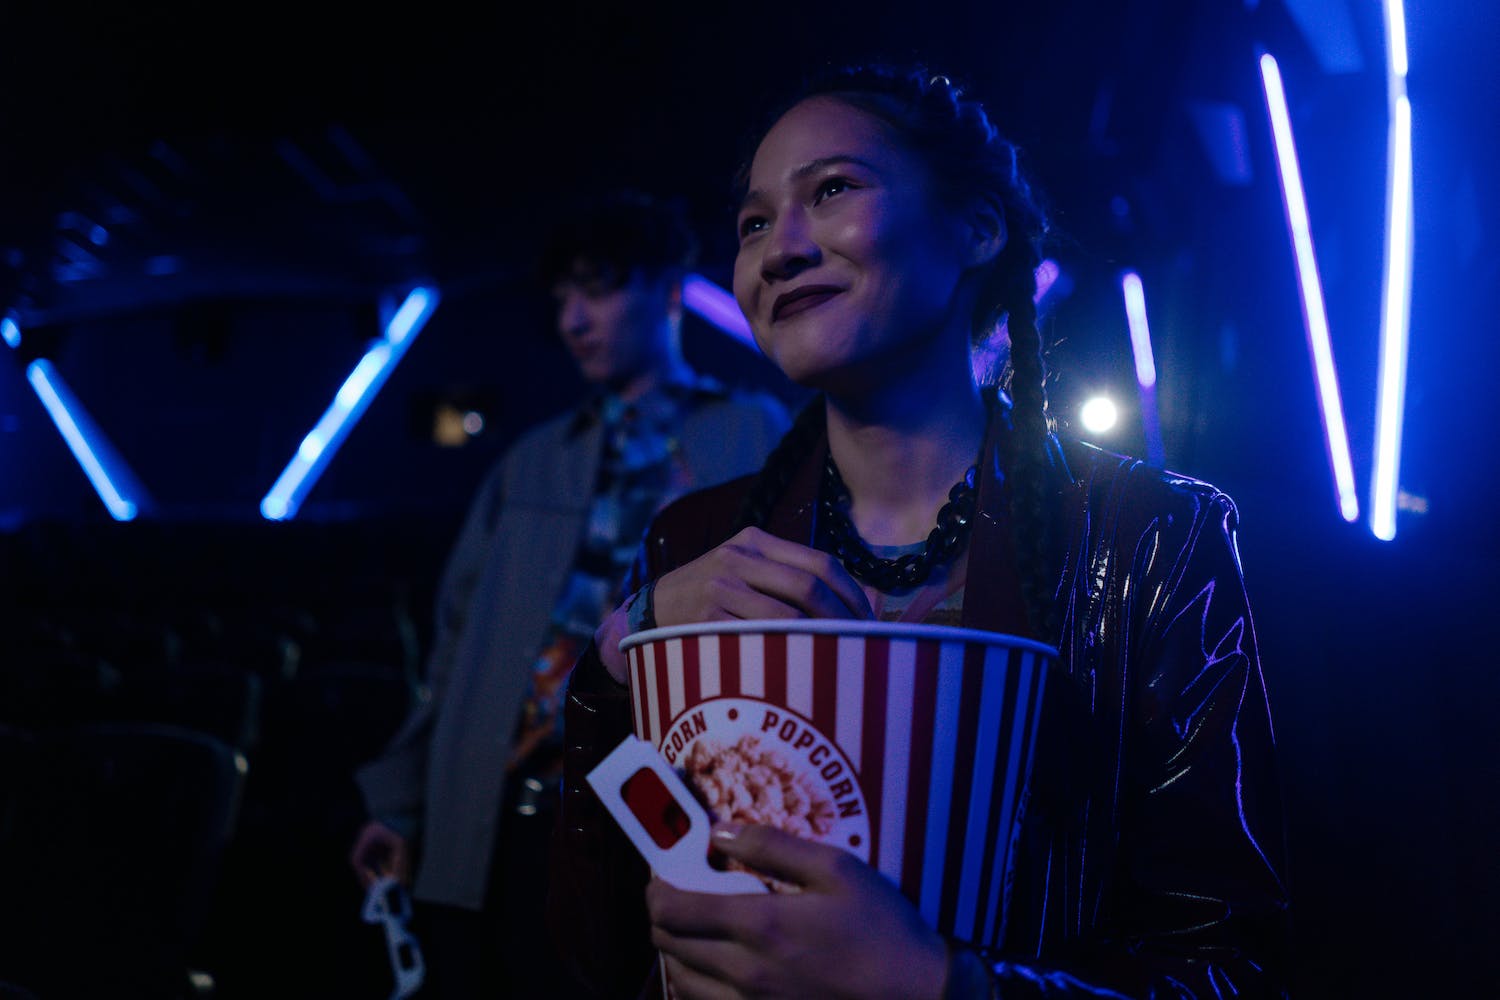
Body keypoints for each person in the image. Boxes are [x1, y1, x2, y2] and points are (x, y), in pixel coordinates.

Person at [548, 65, 1291, 998]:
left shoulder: (1152, 539)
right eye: (752, 223)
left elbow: (1230, 967)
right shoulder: (696, 539)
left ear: (976, 229)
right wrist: (623, 659)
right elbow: (608, 935)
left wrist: (936, 983)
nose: (778, 250)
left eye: (831, 190)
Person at [349, 190, 791, 998]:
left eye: (599, 289)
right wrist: (403, 804)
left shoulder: (756, 433)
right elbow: (456, 652)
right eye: (563, 298)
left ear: (666, 293)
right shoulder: (533, 459)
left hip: (672, 814)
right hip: (506, 813)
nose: (574, 319)